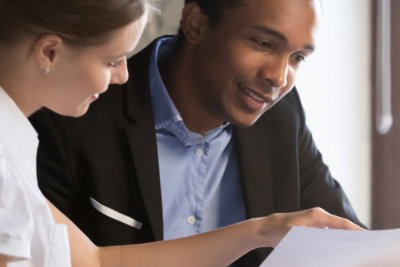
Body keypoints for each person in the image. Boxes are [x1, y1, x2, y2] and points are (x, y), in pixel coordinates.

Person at [0, 0, 363, 266]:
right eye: (112, 60)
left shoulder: (282, 115)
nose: (279, 78)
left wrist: (262, 231)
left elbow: (99, 261)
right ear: (196, 24)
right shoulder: (58, 125)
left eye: (298, 57)